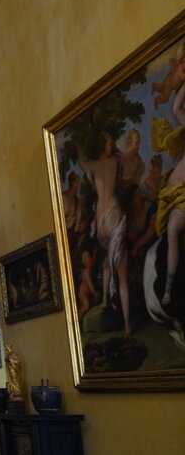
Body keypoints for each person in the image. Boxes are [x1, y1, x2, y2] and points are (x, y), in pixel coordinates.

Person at [79, 132, 132, 334]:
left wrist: (77, 149)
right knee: (122, 274)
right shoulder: (113, 162)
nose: (112, 146)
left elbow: (82, 163)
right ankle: (127, 324)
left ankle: (105, 300)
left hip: (101, 220)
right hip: (113, 215)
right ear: (104, 146)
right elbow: (124, 166)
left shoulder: (93, 166)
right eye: (110, 143)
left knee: (108, 260)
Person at [151, 82, 185, 307]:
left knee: (172, 230)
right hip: (171, 193)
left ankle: (168, 289)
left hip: (184, 198)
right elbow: (176, 108)